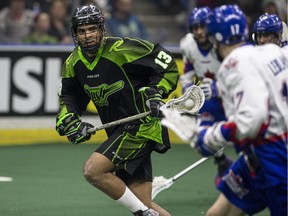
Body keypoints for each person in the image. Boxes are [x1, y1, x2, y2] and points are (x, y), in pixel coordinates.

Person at [161, 4, 288, 216]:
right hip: (254, 159)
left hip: (274, 157)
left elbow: (251, 121)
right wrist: (217, 87)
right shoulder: (272, 52)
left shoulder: (234, 64)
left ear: (217, 37)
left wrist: (208, 136)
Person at [55, 3, 179, 216]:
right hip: (118, 132)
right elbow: (69, 97)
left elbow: (166, 63)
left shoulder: (123, 49)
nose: (87, 35)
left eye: (92, 29)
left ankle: (143, 214)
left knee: (93, 171)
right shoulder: (73, 63)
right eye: (82, 31)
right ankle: (145, 212)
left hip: (141, 127)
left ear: (101, 29)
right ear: (75, 34)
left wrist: (156, 92)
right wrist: (68, 121)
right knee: (143, 202)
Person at [179, 6, 233, 187]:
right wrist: (188, 89)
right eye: (195, 28)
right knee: (200, 138)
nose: (199, 32)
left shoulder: (223, 44)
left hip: (233, 98)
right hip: (210, 101)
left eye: (202, 27)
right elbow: (188, 70)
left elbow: (239, 74)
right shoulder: (187, 44)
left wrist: (218, 88)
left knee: (244, 137)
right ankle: (222, 160)